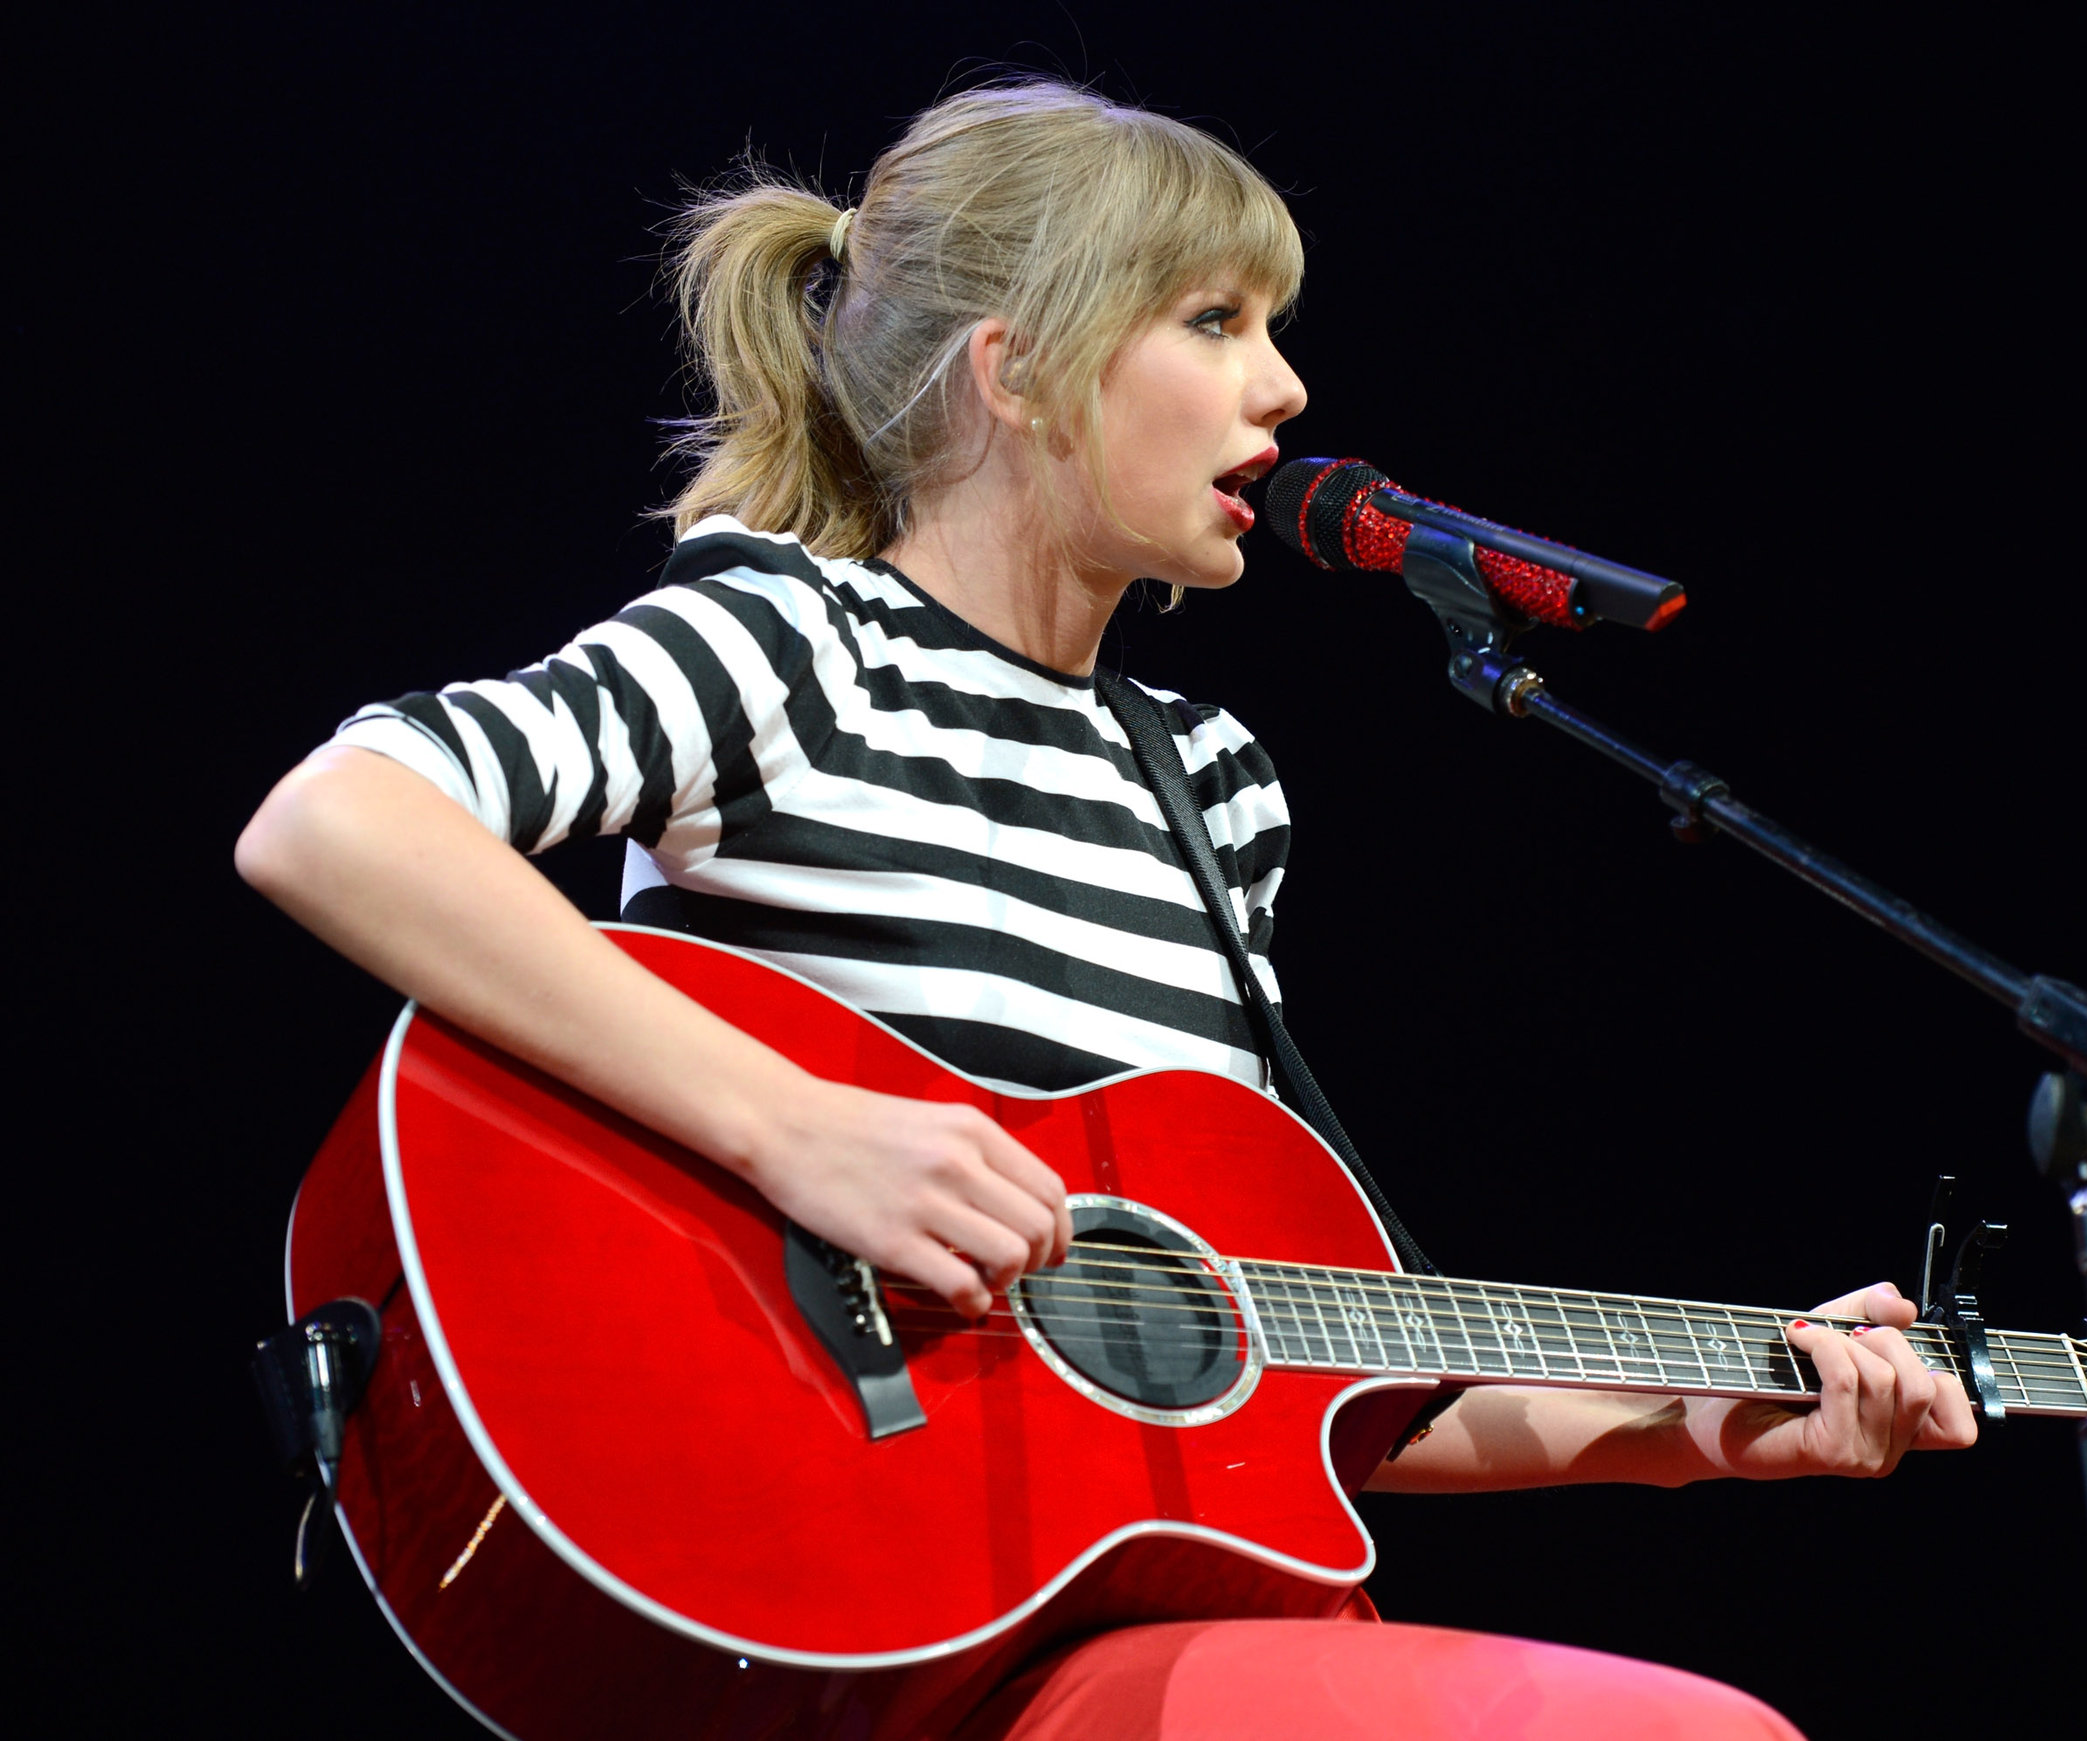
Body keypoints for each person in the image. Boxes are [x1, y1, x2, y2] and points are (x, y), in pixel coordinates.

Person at [236, 81, 1975, 1740]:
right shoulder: (792, 643)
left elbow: (1283, 1383)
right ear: (1021, 373)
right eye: (1215, 322)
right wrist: (802, 1132)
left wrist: (1712, 1425)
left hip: (1126, 1613)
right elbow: (338, 818)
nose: (1283, 389)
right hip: (852, 1608)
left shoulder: (1207, 783)